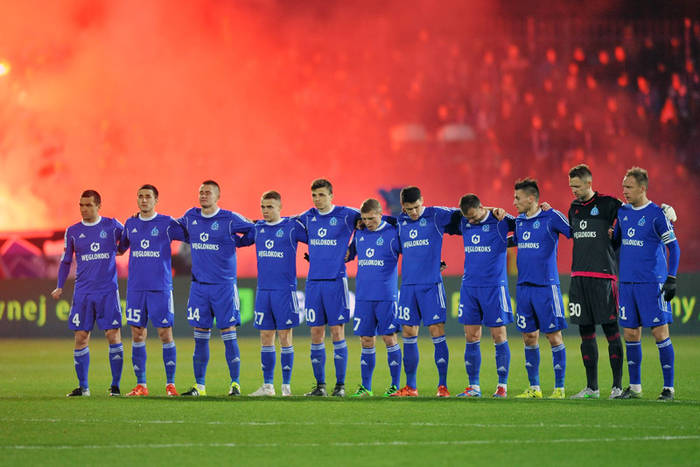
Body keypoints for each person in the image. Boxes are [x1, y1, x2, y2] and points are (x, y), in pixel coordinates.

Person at [178, 180, 254, 396]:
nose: (203, 195)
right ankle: (199, 386)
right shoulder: (191, 216)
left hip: (224, 287)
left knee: (228, 334)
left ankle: (235, 384)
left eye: (208, 192)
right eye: (201, 192)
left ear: (217, 196)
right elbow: (173, 227)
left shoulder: (229, 219)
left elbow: (253, 229)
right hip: (199, 287)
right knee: (200, 336)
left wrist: (239, 243)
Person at [613, 167, 680, 401]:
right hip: (627, 283)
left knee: (660, 333)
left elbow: (674, 248)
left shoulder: (657, 215)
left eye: (629, 187)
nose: (625, 191)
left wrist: (671, 278)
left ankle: (668, 388)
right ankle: (635, 387)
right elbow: (616, 240)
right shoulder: (622, 212)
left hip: (652, 283)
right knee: (630, 333)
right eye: (623, 187)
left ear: (642, 188)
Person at [51, 190, 125, 397]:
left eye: (88, 205)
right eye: (81, 205)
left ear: (98, 206)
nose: (84, 209)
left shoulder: (112, 225)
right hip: (83, 292)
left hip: (107, 291)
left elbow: (129, 239)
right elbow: (66, 260)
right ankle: (83, 387)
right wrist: (60, 285)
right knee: (81, 337)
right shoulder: (73, 231)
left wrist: (120, 249)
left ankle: (115, 386)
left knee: (112, 335)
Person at [391, 186, 459, 397]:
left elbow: (467, 211)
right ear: (403, 207)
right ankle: (411, 387)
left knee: (436, 332)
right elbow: (376, 218)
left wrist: (492, 210)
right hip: (408, 287)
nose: (413, 212)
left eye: (416, 207)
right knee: (408, 333)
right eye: (409, 208)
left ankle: (442, 386)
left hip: (431, 286)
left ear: (422, 201)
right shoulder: (399, 222)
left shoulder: (436, 215)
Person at [119, 184, 186, 397]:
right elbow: (120, 248)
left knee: (165, 334)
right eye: (140, 196)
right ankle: (141, 385)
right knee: (137, 334)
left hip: (160, 288)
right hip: (136, 289)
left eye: (148, 196)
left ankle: (170, 384)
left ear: (156, 200)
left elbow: (189, 235)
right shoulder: (130, 223)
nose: (144, 200)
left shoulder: (167, 223)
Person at [239, 191, 307, 396]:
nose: (265, 211)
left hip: (285, 291)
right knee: (266, 336)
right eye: (263, 207)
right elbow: (239, 241)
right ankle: (268, 386)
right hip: (263, 291)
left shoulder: (291, 227)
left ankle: (286, 386)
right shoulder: (257, 228)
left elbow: (316, 239)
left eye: (270, 207)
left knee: (285, 337)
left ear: (280, 207)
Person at [566, 165, 626, 399]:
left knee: (611, 331)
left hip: (603, 277)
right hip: (578, 278)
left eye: (577, 186)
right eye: (571, 186)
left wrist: (664, 211)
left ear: (589, 183)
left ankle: (617, 387)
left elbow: (633, 214)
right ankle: (592, 388)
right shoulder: (573, 208)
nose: (573, 190)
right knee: (586, 333)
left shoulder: (609, 204)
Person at [297, 179, 359, 397]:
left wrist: (353, 250)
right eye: (314, 195)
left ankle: (340, 386)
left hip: (336, 281)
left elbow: (372, 219)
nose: (317, 199)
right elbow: (284, 224)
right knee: (316, 332)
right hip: (314, 283)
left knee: (337, 331)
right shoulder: (307, 217)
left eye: (321, 195)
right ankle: (320, 386)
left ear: (331, 196)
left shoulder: (347, 215)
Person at [512, 178, 571, 399]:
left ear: (531, 198)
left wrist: (554, 210)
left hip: (546, 287)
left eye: (517, 198)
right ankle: (534, 387)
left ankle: (559, 388)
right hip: (524, 288)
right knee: (529, 337)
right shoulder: (519, 221)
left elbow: (572, 231)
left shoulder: (551, 217)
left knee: (554, 337)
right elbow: (515, 241)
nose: (514, 202)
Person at [453, 194, 515, 398]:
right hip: (470, 287)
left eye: (473, 216)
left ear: (481, 208)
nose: (470, 221)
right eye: (467, 218)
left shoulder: (501, 221)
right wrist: (489, 207)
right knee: (471, 337)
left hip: (494, 288)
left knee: (499, 336)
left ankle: (502, 386)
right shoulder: (464, 220)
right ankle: (474, 387)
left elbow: (526, 224)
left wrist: (496, 209)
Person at [346, 198, 402, 397]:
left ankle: (394, 386)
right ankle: (366, 387)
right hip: (363, 296)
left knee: (389, 338)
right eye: (364, 219)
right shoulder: (360, 233)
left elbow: (413, 253)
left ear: (380, 214)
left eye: (371, 218)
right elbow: (348, 255)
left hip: (386, 296)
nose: (368, 222)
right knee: (366, 340)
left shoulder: (393, 233)